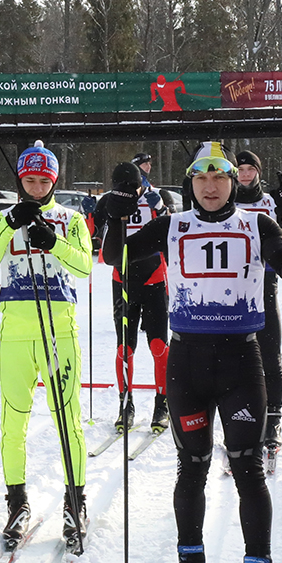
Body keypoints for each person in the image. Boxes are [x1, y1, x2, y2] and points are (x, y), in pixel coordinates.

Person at [98, 141, 282, 563]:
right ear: (190, 182)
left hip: (241, 362)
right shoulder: (172, 225)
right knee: (191, 466)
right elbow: (118, 259)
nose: (210, 187)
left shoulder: (257, 224)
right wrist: (115, 214)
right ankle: (190, 559)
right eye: (201, 178)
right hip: (188, 363)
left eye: (219, 178)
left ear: (232, 181)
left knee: (248, 469)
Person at [0, 141, 93, 549]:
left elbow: (85, 265)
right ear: (20, 180)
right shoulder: (1, 217)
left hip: (60, 331)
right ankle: (16, 503)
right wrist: (11, 223)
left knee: (67, 420)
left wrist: (53, 242)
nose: (37, 187)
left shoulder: (70, 219)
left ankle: (75, 503)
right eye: (30, 180)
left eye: (45, 181)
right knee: (13, 422)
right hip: (16, 332)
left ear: (55, 181)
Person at [92, 156, 172, 433]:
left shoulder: (154, 198)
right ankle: (125, 404)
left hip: (154, 278)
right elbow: (95, 237)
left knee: (158, 345)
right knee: (124, 348)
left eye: (133, 185)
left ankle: (162, 404)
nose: (129, 190)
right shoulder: (108, 201)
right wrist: (91, 216)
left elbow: (173, 229)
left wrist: (161, 209)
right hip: (122, 279)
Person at [232, 150, 282, 465]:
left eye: (250, 169)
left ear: (258, 172)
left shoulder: (270, 202)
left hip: (266, 283)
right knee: (238, 355)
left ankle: (273, 418)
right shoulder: (228, 202)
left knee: (270, 353)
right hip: (236, 287)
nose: (245, 175)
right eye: (240, 169)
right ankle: (242, 415)